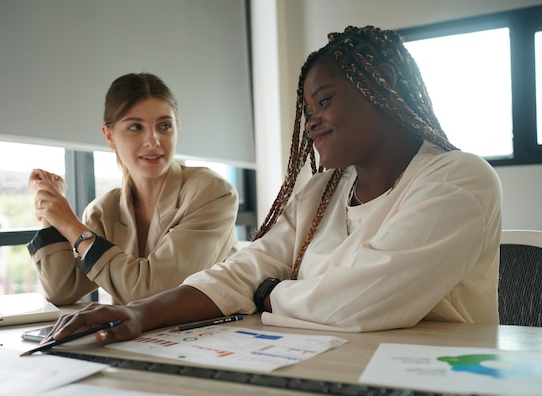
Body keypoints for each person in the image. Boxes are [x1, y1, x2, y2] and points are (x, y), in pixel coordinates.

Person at [45, 25, 501, 344]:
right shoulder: (321, 192)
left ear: (384, 88)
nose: (311, 122)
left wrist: (268, 294)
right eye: (307, 109)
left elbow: (362, 303)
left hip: (432, 382)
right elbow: (245, 270)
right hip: (327, 364)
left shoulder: (458, 178)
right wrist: (140, 313)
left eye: (324, 101)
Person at [27, 73, 239, 306]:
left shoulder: (211, 192)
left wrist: (71, 225)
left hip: (211, 336)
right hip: (136, 339)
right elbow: (61, 290)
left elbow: (152, 293)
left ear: (177, 129)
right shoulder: (104, 210)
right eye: (136, 127)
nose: (153, 140)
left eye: (165, 126)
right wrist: (50, 208)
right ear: (109, 136)